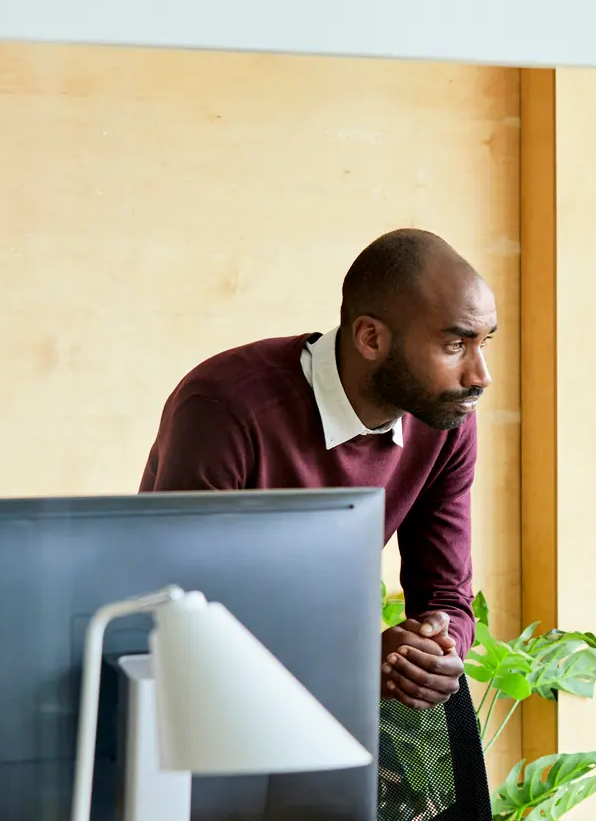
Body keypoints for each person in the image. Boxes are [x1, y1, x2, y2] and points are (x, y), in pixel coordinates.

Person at [140, 228, 497, 711]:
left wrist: (436, 646)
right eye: (455, 345)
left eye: (484, 343)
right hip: (193, 706)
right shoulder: (225, 407)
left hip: (326, 706)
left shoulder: (444, 419)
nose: (480, 376)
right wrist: (353, 660)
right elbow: (182, 608)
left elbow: (446, 594)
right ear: (371, 337)